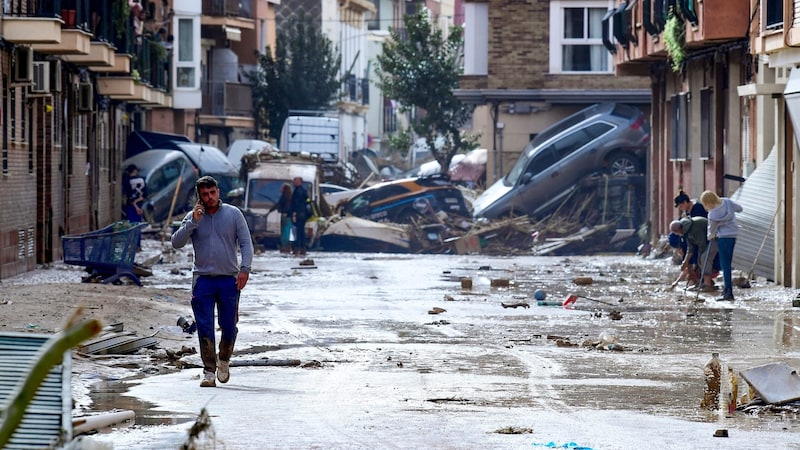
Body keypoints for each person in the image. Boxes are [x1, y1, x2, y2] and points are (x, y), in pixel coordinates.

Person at [171, 176, 254, 387]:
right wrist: (193, 222)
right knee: (205, 326)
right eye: (205, 195)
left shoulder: (234, 214)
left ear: (218, 191)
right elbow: (176, 243)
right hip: (203, 280)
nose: (209, 198)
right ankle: (208, 370)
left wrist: (245, 269)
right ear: (199, 197)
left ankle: (224, 359)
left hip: (229, 280)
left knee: (228, 326)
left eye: (212, 193)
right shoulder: (193, 217)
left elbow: (246, 243)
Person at [700, 190, 743, 301]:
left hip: (723, 238)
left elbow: (711, 232)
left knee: (725, 265)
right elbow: (740, 209)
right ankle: (727, 290)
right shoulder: (727, 202)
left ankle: (728, 292)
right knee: (728, 263)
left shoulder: (712, 214)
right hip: (733, 235)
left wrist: (711, 235)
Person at [670, 216, 720, 292]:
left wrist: (699, 259)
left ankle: (707, 284)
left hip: (715, 238)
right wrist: (685, 262)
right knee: (700, 261)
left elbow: (702, 245)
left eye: (676, 233)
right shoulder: (686, 231)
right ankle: (705, 282)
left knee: (703, 259)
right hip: (707, 241)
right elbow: (690, 248)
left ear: (678, 230)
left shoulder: (694, 228)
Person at [268, 183, 293, 253]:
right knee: (287, 231)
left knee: (284, 231)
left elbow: (278, 204)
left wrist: (271, 210)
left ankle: (284, 246)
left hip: (285, 215)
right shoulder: (290, 197)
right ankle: (288, 245)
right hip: (289, 216)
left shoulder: (284, 197)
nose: (280, 189)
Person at [289, 176, 310, 256]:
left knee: (299, 232)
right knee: (300, 232)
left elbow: (296, 204)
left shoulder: (298, 191)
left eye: (296, 181)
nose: (294, 182)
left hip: (299, 214)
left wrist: (294, 213)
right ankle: (301, 248)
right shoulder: (303, 191)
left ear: (300, 182)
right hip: (302, 214)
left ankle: (299, 248)